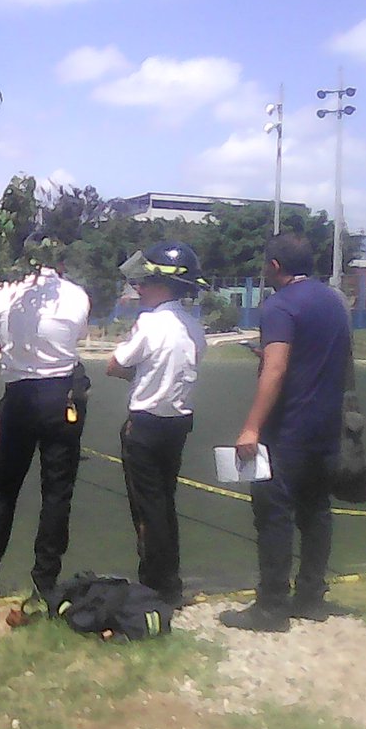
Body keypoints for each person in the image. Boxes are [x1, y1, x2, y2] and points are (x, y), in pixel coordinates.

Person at [221, 234, 352, 632]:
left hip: (287, 429)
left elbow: (277, 369)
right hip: (326, 427)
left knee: (273, 512)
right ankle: (311, 597)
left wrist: (251, 427)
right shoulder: (334, 301)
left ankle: (271, 607)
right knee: (316, 511)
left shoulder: (278, 306)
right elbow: (325, 357)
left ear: (275, 266)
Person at [0, 236, 91, 601]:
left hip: (19, 393)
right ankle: (46, 580)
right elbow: (77, 338)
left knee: (3, 489)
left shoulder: (3, 294)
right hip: (60, 394)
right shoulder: (75, 295)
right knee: (56, 492)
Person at [105, 242, 208, 607]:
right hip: (178, 424)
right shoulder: (194, 327)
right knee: (165, 503)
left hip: (146, 425)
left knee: (147, 508)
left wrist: (137, 376)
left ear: (163, 285)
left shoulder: (149, 323)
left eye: (146, 282)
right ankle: (171, 580)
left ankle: (155, 586)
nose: (140, 289)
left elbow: (114, 364)